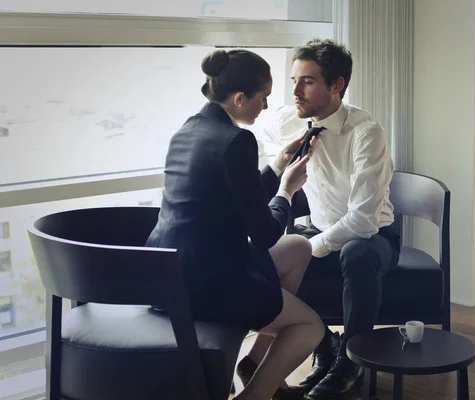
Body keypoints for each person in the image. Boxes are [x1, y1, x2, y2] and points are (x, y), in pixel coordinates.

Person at [145, 49, 324, 400]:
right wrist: (287, 190)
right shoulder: (238, 140)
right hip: (208, 283)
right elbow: (263, 234)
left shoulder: (189, 130)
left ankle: (254, 361)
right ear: (240, 98)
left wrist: (275, 167)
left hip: (168, 275)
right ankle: (255, 394)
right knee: (310, 326)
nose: (267, 107)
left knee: (299, 247)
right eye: (264, 98)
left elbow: (234, 195)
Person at [255, 39, 401, 400]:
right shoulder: (290, 118)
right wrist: (281, 158)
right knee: (270, 255)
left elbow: (364, 220)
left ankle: (351, 360)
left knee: (355, 253)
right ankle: (324, 344)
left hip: (373, 238)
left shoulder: (366, 133)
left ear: (336, 85)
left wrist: (310, 248)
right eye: (293, 80)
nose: (294, 91)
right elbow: (265, 137)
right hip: (318, 227)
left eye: (306, 81)